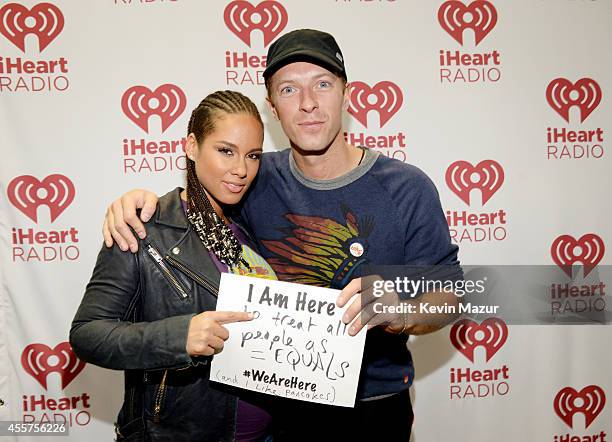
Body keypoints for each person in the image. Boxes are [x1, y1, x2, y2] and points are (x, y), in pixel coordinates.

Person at [102, 30, 462, 440]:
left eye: (322, 84)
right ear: (272, 108)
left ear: (347, 95)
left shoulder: (406, 188)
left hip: (373, 407)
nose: (308, 103)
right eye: (289, 89)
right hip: (274, 409)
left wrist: (404, 313)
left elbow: (449, 293)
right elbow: (195, 204)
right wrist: (138, 203)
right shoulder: (253, 174)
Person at [70, 90, 278, 441]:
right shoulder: (144, 228)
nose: (241, 169)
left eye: (253, 155)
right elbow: (87, 333)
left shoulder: (246, 230)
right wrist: (178, 337)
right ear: (192, 146)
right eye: (225, 150)